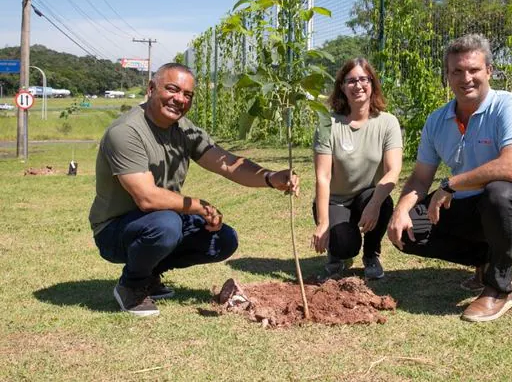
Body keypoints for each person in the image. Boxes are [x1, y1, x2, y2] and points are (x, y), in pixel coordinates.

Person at [89, 63, 299, 317]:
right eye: (172, 89)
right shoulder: (126, 132)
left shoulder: (184, 130)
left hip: (159, 221)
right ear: (151, 88)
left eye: (188, 95)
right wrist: (200, 206)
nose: (179, 99)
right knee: (165, 225)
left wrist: (270, 177)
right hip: (115, 230)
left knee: (222, 239)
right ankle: (131, 286)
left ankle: (150, 274)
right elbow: (146, 198)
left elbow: (226, 164)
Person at [387, 34, 512, 322]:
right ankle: (485, 259)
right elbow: (420, 178)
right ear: (447, 77)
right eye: (457, 71)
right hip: (473, 204)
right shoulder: (436, 120)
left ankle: (499, 289)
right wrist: (400, 211)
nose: (467, 78)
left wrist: (451, 184)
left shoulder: (510, 105)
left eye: (474, 70)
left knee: (498, 192)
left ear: (489, 71)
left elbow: (511, 168)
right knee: (411, 229)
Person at [311, 58, 402, 280]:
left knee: (383, 201)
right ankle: (336, 254)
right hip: (336, 199)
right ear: (342, 86)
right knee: (345, 247)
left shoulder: (387, 122)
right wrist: (324, 222)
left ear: (372, 84)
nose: (358, 86)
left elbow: (393, 171)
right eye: (351, 81)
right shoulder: (327, 124)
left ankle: (371, 255)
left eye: (364, 79)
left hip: (367, 195)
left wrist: (374, 205)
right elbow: (323, 177)